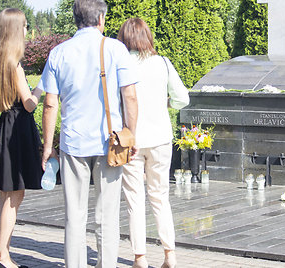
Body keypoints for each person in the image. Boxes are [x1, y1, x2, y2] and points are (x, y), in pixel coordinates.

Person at [38, 0, 138, 267]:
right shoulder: (116, 49)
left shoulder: (59, 53)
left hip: (73, 143)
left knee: (75, 215)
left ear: (75, 19)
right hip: (111, 143)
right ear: (101, 19)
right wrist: (131, 134)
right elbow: (129, 95)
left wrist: (48, 147)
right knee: (107, 215)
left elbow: (50, 103)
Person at [117, 18, 189, 268]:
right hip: (160, 138)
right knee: (160, 197)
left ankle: (140, 257)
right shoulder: (163, 63)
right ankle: (170, 254)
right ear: (147, 36)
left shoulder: (120, 63)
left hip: (131, 139)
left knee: (134, 199)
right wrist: (165, 103)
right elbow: (182, 98)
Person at [0, 8, 43, 268]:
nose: (26, 30)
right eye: (23, 26)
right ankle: (2, 255)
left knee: (5, 194)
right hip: (17, 130)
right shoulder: (15, 64)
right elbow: (30, 104)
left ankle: (2, 253)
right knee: (14, 195)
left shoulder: (0, 60)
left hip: (6, 126)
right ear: (14, 31)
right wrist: (43, 85)